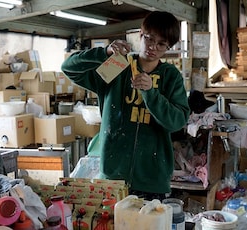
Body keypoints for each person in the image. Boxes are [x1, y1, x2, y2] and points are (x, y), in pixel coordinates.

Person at [61, 11, 190, 200]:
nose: (153, 47)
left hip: (152, 177)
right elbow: (69, 68)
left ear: (169, 46)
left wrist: (151, 93)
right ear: (140, 34)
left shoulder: (170, 76)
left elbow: (177, 121)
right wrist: (104, 52)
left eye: (162, 44)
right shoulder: (118, 66)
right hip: (114, 173)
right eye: (149, 39)